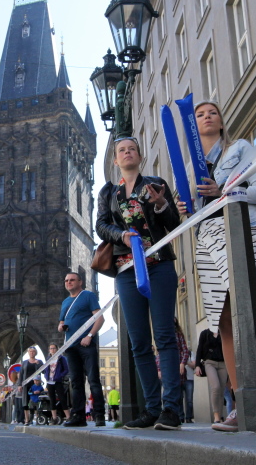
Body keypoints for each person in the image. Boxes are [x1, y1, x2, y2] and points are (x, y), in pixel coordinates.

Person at [176, 100, 256, 432]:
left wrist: (226, 191)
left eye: (212, 113)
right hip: (206, 241)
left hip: (239, 231)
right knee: (225, 323)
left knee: (248, 316)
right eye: (200, 114)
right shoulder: (189, 168)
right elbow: (190, 212)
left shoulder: (240, 148)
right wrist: (181, 208)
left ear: (221, 122)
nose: (206, 117)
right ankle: (240, 405)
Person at [97, 136, 182, 431]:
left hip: (159, 265)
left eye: (132, 149)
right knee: (139, 343)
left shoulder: (156, 184)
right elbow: (101, 225)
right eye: (122, 150)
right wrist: (121, 235)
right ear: (115, 160)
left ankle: (171, 410)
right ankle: (151, 410)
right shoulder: (109, 192)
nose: (127, 152)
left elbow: (174, 224)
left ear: (140, 156)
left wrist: (161, 205)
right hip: (126, 270)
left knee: (165, 336)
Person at [58, 273, 105, 428]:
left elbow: (100, 318)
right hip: (71, 346)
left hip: (86, 344)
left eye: (72, 280)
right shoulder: (65, 302)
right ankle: (78, 416)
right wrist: (61, 327)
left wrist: (89, 336)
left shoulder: (88, 296)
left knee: (93, 380)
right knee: (76, 382)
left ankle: (99, 415)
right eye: (66, 280)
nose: (68, 282)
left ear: (80, 282)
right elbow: (61, 323)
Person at [195, 328, 228, 423]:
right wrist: (197, 365)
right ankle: (216, 415)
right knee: (215, 387)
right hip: (209, 363)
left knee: (221, 390)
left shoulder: (223, 332)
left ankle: (220, 416)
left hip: (223, 364)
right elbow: (199, 349)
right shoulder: (205, 333)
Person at [45, 343, 70, 424]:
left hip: (58, 381)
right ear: (49, 350)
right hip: (49, 381)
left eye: (54, 348)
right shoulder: (48, 358)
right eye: (51, 348)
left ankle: (68, 416)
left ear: (57, 349)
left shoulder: (61, 358)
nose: (52, 350)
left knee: (62, 398)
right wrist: (46, 376)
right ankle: (54, 418)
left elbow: (66, 369)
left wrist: (60, 375)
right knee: (52, 399)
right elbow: (46, 369)